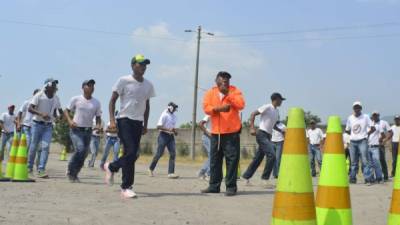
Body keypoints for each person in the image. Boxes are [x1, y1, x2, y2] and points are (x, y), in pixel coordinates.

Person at [103, 54, 155, 199]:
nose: (143, 67)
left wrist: (145, 123)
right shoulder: (124, 80)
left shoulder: (148, 85)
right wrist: (112, 121)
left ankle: (120, 178)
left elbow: (147, 105)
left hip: (138, 122)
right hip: (124, 120)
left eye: (145, 65)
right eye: (140, 64)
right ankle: (123, 182)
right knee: (132, 152)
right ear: (133, 65)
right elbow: (112, 101)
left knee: (131, 154)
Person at [201, 71, 245, 196]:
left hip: (231, 132)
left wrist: (228, 95)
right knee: (215, 160)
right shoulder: (211, 92)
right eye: (223, 80)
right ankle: (214, 186)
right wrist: (218, 109)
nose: (225, 82)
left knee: (232, 160)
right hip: (216, 132)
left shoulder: (235, 91)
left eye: (227, 80)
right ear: (217, 81)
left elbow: (241, 105)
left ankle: (231, 187)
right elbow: (206, 108)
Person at [242, 93, 285, 188]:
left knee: (258, 158)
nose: (282, 101)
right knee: (272, 155)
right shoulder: (267, 107)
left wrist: (281, 131)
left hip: (268, 136)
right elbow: (253, 114)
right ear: (276, 99)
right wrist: (252, 128)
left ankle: (245, 177)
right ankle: (264, 179)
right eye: (281, 99)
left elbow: (273, 125)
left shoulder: (276, 111)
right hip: (261, 134)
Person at [64, 79, 102, 182]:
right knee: (80, 149)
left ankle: (75, 174)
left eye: (93, 86)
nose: (91, 87)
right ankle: (70, 170)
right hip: (76, 130)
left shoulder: (96, 102)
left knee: (84, 154)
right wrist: (70, 121)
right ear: (83, 87)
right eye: (89, 85)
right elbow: (66, 111)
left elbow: (98, 117)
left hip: (88, 131)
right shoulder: (76, 99)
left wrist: (98, 125)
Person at [28, 78, 63, 178]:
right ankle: (29, 167)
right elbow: (30, 108)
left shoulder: (56, 98)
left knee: (45, 147)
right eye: (53, 85)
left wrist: (60, 118)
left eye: (56, 86)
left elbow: (59, 112)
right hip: (37, 124)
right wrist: (41, 114)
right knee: (33, 146)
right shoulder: (39, 95)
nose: (55, 87)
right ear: (47, 86)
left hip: (48, 126)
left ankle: (41, 169)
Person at [345, 101, 374, 185]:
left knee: (365, 160)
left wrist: (366, 134)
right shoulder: (350, 117)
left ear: (361, 108)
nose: (357, 109)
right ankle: (353, 178)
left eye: (358, 107)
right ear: (353, 108)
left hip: (363, 141)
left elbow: (373, 128)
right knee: (353, 161)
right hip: (353, 142)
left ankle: (367, 179)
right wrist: (353, 135)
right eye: (355, 107)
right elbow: (347, 130)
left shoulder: (365, 117)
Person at [148, 102, 179, 179]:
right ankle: (151, 169)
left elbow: (172, 127)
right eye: (174, 108)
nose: (175, 110)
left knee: (173, 154)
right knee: (159, 154)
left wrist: (174, 131)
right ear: (170, 108)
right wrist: (168, 129)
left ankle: (171, 173)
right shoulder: (164, 114)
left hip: (171, 136)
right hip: (163, 136)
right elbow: (158, 126)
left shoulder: (174, 116)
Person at [371, 112, 390, 181]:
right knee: (374, 161)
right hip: (372, 145)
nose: (375, 117)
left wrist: (385, 140)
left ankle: (385, 176)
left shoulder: (384, 122)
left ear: (379, 115)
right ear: (372, 116)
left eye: (376, 115)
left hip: (380, 144)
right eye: (374, 116)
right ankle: (375, 177)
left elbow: (391, 132)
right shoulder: (371, 123)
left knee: (382, 160)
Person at [369, 112, 385, 184]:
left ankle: (379, 178)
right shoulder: (365, 127)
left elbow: (383, 135)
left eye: (374, 117)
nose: (373, 118)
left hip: (375, 147)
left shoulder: (378, 126)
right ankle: (371, 179)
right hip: (367, 147)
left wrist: (380, 139)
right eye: (372, 117)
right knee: (369, 164)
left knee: (377, 163)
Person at [198, 115, 211, 180]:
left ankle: (202, 172)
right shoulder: (210, 114)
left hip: (214, 138)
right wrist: (208, 133)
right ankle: (208, 174)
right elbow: (200, 124)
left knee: (214, 156)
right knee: (212, 155)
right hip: (207, 137)